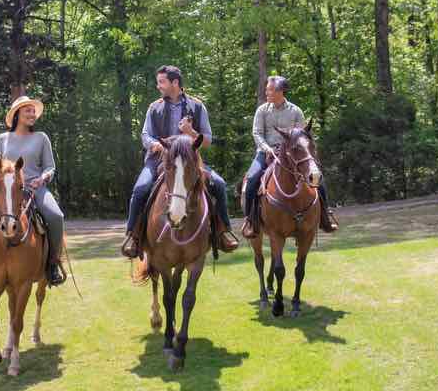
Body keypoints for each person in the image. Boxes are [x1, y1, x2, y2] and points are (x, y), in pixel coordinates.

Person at [121, 65, 240, 258]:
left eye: (162, 82)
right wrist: (155, 145)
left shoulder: (197, 106)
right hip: (159, 160)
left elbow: (207, 140)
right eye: (158, 82)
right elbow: (145, 135)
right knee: (141, 188)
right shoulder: (154, 107)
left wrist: (191, 132)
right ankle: (133, 236)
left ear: (175, 83)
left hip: (190, 163)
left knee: (219, 183)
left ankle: (222, 231)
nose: (158, 86)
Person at [0, 95, 66, 287]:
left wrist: (42, 178)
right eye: (28, 110)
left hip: (34, 188)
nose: (32, 114)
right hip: (3, 190)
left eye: (34, 111)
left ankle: (52, 264)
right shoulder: (2, 139)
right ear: (17, 114)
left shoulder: (41, 138)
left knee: (56, 216)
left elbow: (50, 167)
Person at [242, 75, 338, 238]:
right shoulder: (262, 110)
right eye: (267, 89)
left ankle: (325, 216)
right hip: (266, 152)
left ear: (281, 91)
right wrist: (267, 149)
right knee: (251, 180)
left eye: (270, 89)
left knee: (317, 178)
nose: (267, 92)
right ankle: (251, 221)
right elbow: (257, 133)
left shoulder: (295, 111)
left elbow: (303, 135)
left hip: (293, 154)